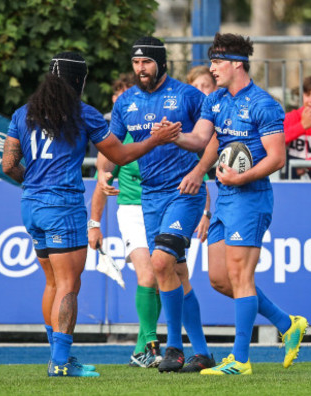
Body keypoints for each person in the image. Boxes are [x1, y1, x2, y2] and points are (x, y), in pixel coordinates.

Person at [1, 52, 180, 377]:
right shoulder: (83, 114)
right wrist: (155, 139)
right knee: (69, 285)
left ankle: (57, 357)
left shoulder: (22, 113)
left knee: (53, 283)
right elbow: (122, 156)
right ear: (77, 81)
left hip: (31, 205)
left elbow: (8, 165)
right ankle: (61, 363)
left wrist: (34, 183)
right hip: (64, 207)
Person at [173, 32, 308, 376]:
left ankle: (240, 360)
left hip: (250, 197)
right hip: (225, 196)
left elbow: (277, 158)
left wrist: (239, 178)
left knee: (240, 276)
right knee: (220, 279)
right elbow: (201, 139)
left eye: (217, 62)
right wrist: (173, 135)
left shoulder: (264, 103)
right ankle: (287, 323)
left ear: (237, 64)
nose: (212, 68)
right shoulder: (216, 99)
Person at [96, 37, 214, 373]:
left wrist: (194, 167)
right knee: (176, 271)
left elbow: (209, 140)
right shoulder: (126, 102)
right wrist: (104, 172)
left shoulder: (188, 95)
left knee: (161, 263)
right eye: (136, 63)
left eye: (146, 62)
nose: (140, 69)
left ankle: (174, 348)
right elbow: (113, 146)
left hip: (184, 192)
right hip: (150, 197)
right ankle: (202, 352)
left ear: (161, 63)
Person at [88, 74, 162, 369]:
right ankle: (152, 346)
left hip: (163, 207)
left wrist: (204, 211)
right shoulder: (114, 139)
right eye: (115, 100)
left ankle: (141, 348)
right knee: (148, 274)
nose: (119, 105)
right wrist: (94, 223)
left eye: (124, 98)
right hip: (131, 208)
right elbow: (101, 179)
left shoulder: (157, 128)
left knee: (160, 279)